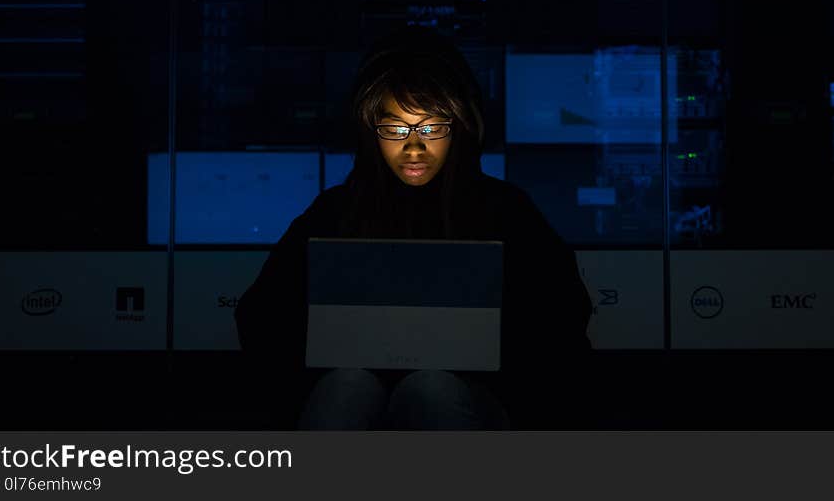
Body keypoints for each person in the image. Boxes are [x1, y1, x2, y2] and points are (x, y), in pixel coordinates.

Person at [234, 25, 593, 429]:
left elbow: (561, 324)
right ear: (372, 133)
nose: (414, 146)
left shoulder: (506, 210)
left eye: (430, 127)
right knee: (348, 387)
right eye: (394, 129)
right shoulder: (337, 210)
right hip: (350, 389)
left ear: (459, 128)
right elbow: (263, 318)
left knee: (432, 389)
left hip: (477, 395)